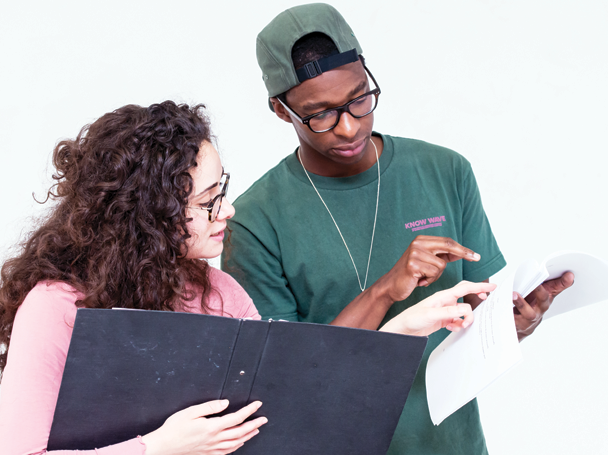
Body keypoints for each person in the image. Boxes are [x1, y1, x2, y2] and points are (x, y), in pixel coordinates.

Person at [0, 100, 496, 455]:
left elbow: (296, 409)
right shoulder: (56, 307)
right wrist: (158, 447)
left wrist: (403, 332)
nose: (226, 211)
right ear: (148, 213)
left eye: (220, 190)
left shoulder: (219, 292)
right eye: (207, 203)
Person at [222, 4, 575, 455]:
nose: (349, 127)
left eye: (358, 99)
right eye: (320, 114)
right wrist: (385, 289)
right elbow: (286, 381)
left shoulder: (444, 170)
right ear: (279, 110)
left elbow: (477, 317)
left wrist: (516, 323)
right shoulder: (254, 221)